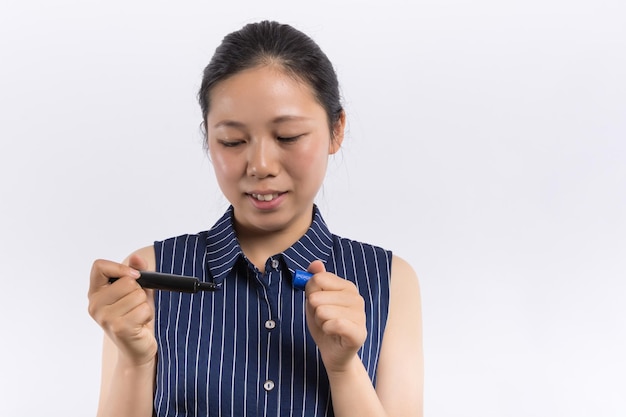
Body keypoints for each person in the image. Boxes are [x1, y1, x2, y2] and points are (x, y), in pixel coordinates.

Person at [88, 20, 423, 417]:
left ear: (337, 130)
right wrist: (135, 361)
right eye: (233, 141)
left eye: (288, 137)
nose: (260, 165)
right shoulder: (150, 273)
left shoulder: (388, 278)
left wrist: (344, 367)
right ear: (208, 138)